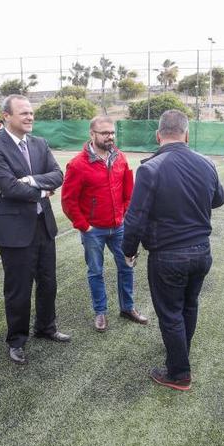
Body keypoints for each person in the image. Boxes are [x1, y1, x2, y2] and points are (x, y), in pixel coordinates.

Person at [122, 110, 224, 391]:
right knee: (188, 306)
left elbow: (135, 218)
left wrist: (128, 251)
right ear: (187, 134)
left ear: (158, 135)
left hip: (168, 255)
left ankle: (178, 373)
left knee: (170, 314)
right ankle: (181, 354)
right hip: (201, 252)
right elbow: (218, 199)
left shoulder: (150, 168)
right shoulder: (206, 164)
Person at [0, 95, 69, 366]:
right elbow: (8, 187)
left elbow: (58, 175)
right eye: (23, 113)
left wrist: (32, 180)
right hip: (15, 231)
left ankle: (46, 327)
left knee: (48, 282)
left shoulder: (40, 144)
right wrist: (43, 190)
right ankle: (16, 340)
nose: (30, 117)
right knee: (18, 289)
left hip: (44, 226)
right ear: (6, 116)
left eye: (31, 113)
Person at [61, 116, 148, 332]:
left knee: (127, 267)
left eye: (112, 132)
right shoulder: (77, 164)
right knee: (95, 271)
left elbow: (130, 192)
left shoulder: (121, 158)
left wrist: (124, 216)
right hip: (93, 231)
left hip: (119, 227)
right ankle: (101, 313)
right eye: (104, 133)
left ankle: (128, 308)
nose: (110, 137)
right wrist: (84, 225)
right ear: (92, 134)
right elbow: (68, 201)